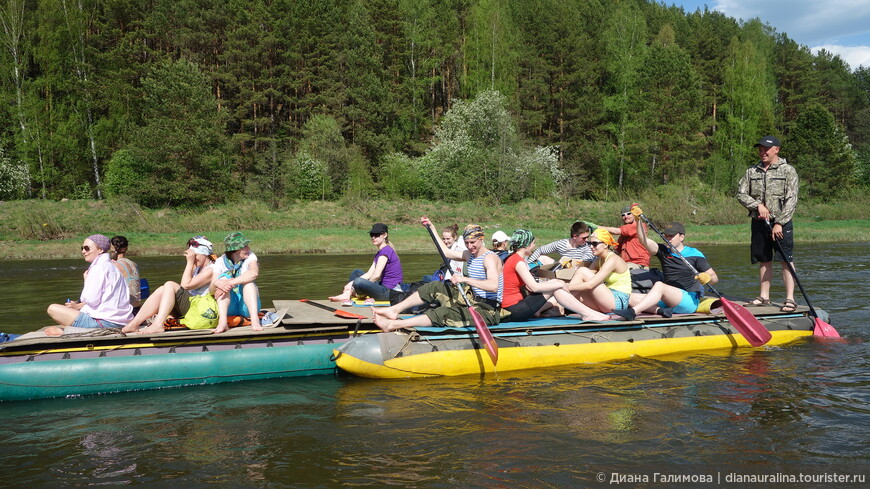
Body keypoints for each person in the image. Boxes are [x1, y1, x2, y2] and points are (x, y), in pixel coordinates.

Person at [372, 219, 503, 332]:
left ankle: (392, 325)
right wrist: (432, 228)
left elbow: (493, 286)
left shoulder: (489, 258)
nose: (470, 246)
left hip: (487, 310)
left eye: (473, 242)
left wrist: (464, 279)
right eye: (467, 242)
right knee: (434, 286)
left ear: (481, 239)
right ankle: (394, 310)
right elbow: (446, 252)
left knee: (441, 312)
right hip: (471, 300)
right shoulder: (470, 255)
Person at [618, 209, 719, 320]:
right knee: (629, 297)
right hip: (667, 301)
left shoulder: (694, 254)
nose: (667, 238)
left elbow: (715, 279)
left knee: (659, 285)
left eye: (671, 236)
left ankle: (632, 312)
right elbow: (643, 240)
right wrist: (638, 221)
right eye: (666, 235)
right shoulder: (663, 251)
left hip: (688, 301)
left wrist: (708, 277)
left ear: (681, 237)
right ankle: (662, 311)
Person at [736, 136, 799, 312]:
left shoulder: (788, 171)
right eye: (760, 149)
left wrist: (779, 222)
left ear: (776, 150)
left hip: (781, 223)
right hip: (759, 222)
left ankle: (790, 299)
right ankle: (764, 297)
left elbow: (792, 199)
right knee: (764, 260)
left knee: (786, 260)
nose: (762, 152)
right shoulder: (751, 171)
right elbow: (741, 193)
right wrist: (757, 205)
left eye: (766, 149)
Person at [501, 229, 610, 322]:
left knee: (557, 286)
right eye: (533, 243)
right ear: (526, 245)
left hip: (516, 307)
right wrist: (559, 283)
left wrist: (556, 283)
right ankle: (588, 314)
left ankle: (588, 313)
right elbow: (534, 287)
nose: (534, 246)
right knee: (557, 287)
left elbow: (530, 287)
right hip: (515, 309)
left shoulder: (514, 259)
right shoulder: (518, 262)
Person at [122, 236, 216, 334]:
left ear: (205, 254)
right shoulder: (197, 268)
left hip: (200, 308)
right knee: (163, 289)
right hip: (192, 304)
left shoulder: (212, 269)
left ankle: (158, 324)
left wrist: (189, 263)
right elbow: (183, 289)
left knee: (170, 284)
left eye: (195, 255)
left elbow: (185, 285)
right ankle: (134, 323)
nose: (193, 259)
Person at [45, 234, 133, 335]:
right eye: (82, 248)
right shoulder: (111, 266)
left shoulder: (98, 268)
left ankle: (66, 331)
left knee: (52, 309)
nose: (83, 251)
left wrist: (86, 282)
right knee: (70, 312)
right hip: (121, 320)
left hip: (106, 322)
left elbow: (91, 300)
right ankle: (68, 327)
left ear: (100, 250)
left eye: (87, 248)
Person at [329, 223, 404, 304]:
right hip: (383, 286)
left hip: (390, 292)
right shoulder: (381, 252)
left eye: (377, 235)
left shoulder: (386, 251)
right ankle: (347, 294)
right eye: (372, 235)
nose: (373, 237)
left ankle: (351, 293)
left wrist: (360, 286)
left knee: (358, 281)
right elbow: (369, 274)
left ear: (385, 235)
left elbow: (376, 276)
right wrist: (351, 283)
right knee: (356, 273)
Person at [566, 228, 632, 316]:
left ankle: (559, 305)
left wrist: (565, 286)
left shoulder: (613, 260)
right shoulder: (599, 259)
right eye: (589, 243)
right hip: (606, 300)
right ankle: (556, 307)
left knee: (582, 271)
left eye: (595, 244)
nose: (591, 247)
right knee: (574, 293)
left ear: (605, 245)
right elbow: (585, 277)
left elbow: (590, 284)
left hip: (617, 302)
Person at [212, 232, 262, 334]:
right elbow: (211, 288)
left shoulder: (251, 256)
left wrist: (230, 283)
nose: (248, 249)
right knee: (222, 279)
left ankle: (254, 320)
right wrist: (219, 284)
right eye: (244, 247)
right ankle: (222, 322)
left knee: (248, 282)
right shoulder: (220, 261)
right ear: (234, 251)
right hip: (230, 306)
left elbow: (254, 273)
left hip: (247, 307)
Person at [597, 204, 651, 269]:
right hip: (626, 264)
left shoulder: (638, 226)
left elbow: (616, 231)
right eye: (623, 215)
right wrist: (600, 250)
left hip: (638, 264)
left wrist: (596, 227)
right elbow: (616, 252)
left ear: (634, 215)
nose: (626, 216)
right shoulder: (623, 236)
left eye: (628, 214)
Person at [527, 221, 594, 267]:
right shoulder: (561, 244)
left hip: (578, 271)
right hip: (562, 268)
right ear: (575, 236)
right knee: (542, 258)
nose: (587, 240)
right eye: (584, 238)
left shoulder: (588, 246)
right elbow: (540, 250)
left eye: (588, 237)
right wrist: (528, 264)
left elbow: (582, 262)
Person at [110, 235, 142, 308]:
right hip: (137, 306)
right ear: (126, 248)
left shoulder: (115, 265)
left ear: (113, 248)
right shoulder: (134, 264)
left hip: (126, 307)